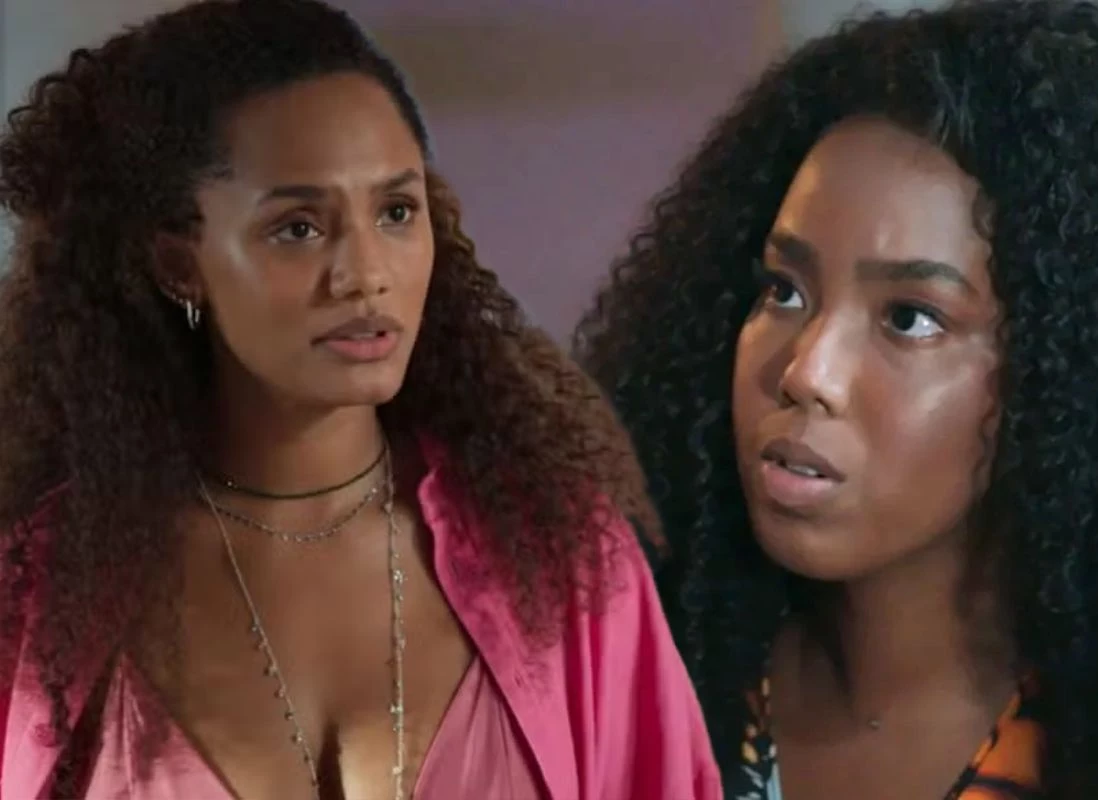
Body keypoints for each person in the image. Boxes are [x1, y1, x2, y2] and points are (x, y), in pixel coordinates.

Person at [0, 1, 720, 798]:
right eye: (299, 228)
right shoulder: (37, 595)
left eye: (396, 212)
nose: (367, 274)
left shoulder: (557, 555)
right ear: (180, 264)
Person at [574, 0, 1098, 798]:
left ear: (1070, 375)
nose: (808, 372)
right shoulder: (618, 694)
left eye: (909, 318)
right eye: (783, 290)